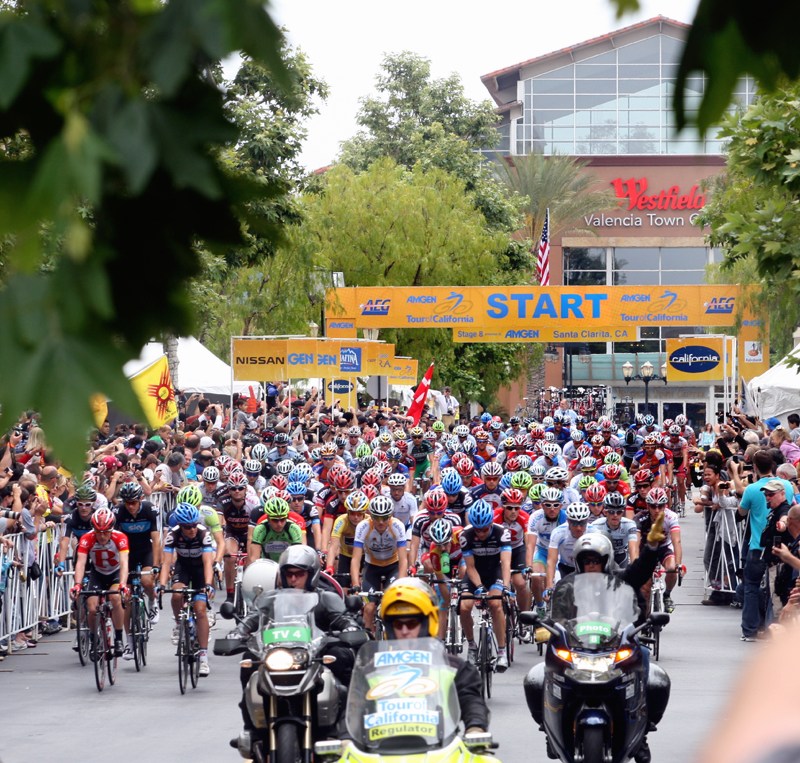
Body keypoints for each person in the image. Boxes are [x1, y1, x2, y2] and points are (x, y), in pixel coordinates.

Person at [523, 514, 670, 763]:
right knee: (536, 677)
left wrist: (652, 547)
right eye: (587, 561)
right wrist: (546, 628)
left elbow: (642, 568)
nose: (592, 565)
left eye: (596, 561)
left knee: (653, 674)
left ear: (606, 561)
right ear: (579, 562)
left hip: (616, 646)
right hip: (579, 649)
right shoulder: (567, 586)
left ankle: (642, 733)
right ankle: (550, 729)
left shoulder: (620, 581)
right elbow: (556, 617)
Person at [226, 546, 364, 749]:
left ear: (312, 574)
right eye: (289, 574)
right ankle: (253, 730)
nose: (293, 579)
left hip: (316, 655)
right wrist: (237, 633)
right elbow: (252, 619)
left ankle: (346, 728)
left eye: (299, 574)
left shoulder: (326, 598)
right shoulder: (270, 600)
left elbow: (342, 619)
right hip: (278, 655)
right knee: (248, 661)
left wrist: (350, 628)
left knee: (342, 656)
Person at [381, 577, 489, 734]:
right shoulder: (373, 670)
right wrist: (344, 738)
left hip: (442, 752)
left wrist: (475, 727)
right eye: (398, 624)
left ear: (427, 623)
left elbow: (472, 702)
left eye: (412, 624)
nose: (404, 631)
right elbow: (353, 710)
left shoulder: (454, 669)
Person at [157, 503, 215, 676]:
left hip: (199, 571)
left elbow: (207, 563)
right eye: (187, 527)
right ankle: (178, 624)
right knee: (176, 594)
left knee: (200, 610)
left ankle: (203, 657)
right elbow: (167, 563)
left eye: (193, 525)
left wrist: (208, 585)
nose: (191, 529)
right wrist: (161, 585)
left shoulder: (203, 534)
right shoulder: (173, 535)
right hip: (183, 568)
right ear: (180, 525)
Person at [69, 508, 129, 658]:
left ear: (112, 529)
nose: (102, 536)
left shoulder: (120, 537)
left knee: (115, 598)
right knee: (92, 607)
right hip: (98, 573)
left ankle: (119, 638)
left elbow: (124, 563)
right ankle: (93, 638)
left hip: (115, 572)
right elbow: (81, 563)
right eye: (98, 532)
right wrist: (77, 584)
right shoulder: (86, 538)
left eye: (106, 532)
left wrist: (123, 584)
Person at [459, 500, 511, 671]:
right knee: (464, 606)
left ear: (490, 524)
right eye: (477, 529)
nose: (480, 533)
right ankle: (472, 646)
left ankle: (502, 651)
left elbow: (505, 563)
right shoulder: (465, 536)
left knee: (495, 604)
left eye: (484, 529)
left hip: (494, 571)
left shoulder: (501, 533)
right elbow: (470, 567)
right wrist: (479, 586)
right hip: (475, 573)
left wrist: (506, 587)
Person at [350, 494, 407, 633]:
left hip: (392, 566)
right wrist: (356, 585)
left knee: (392, 605)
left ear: (391, 516)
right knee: (369, 608)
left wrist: (401, 582)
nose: (381, 522)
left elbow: (404, 559)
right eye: (376, 518)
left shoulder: (397, 526)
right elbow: (356, 559)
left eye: (385, 518)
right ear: (370, 516)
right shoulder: (363, 526)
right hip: (372, 567)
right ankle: (368, 642)